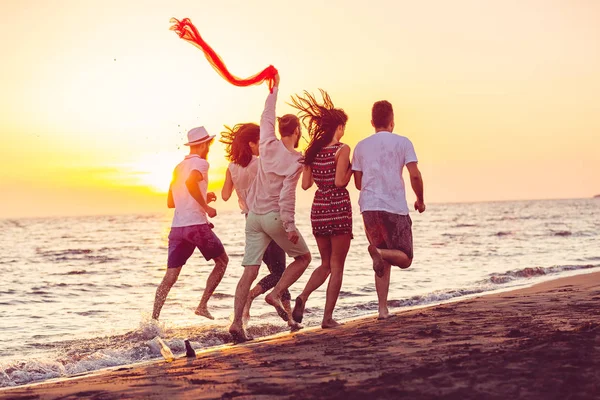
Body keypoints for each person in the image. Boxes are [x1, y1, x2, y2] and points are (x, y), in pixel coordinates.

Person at [228, 74, 312, 342]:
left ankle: (236, 323)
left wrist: (274, 87)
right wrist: (289, 226)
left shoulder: (266, 142)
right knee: (304, 258)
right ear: (297, 132)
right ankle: (275, 294)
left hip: (253, 218)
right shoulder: (296, 159)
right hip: (275, 217)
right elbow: (288, 195)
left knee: (249, 270)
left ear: (280, 130)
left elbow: (267, 114)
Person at [220, 123, 298, 330]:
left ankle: (289, 319)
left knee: (274, 269)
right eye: (260, 142)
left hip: (250, 221)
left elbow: (225, 195)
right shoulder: (260, 163)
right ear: (252, 143)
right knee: (281, 270)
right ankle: (252, 297)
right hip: (267, 216)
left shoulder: (231, 167)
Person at [352, 101, 425, 320]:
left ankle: (382, 309)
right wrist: (420, 199)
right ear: (392, 122)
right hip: (394, 207)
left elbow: (357, 182)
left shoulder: (361, 146)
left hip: (369, 208)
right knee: (405, 257)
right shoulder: (403, 142)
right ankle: (381, 253)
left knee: (381, 261)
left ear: (372, 122)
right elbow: (414, 174)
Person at [288, 90, 353, 329]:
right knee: (337, 267)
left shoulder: (313, 151)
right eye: (343, 126)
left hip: (319, 210)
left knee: (325, 264)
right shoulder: (342, 149)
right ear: (338, 126)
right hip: (337, 208)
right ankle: (327, 319)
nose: (344, 131)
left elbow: (305, 185)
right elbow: (339, 182)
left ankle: (303, 296)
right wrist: (352, 170)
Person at [152, 126, 229, 321]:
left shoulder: (177, 167)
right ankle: (202, 306)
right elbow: (190, 183)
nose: (209, 147)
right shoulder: (202, 163)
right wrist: (206, 207)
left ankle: (154, 320)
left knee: (170, 277)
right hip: (196, 226)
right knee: (222, 262)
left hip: (178, 228)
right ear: (203, 144)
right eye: (209, 144)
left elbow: (171, 202)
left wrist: (204, 198)